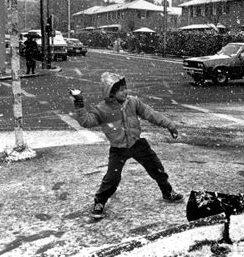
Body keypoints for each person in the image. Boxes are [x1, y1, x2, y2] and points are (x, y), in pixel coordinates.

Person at [69, 72, 183, 218]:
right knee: (112, 178)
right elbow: (86, 121)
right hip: (118, 149)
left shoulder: (133, 102)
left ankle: (168, 192)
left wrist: (169, 125)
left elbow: (151, 114)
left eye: (125, 88)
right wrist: (79, 104)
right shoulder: (102, 109)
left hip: (137, 144)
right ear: (111, 92)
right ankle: (100, 202)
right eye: (121, 90)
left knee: (156, 168)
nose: (125, 92)